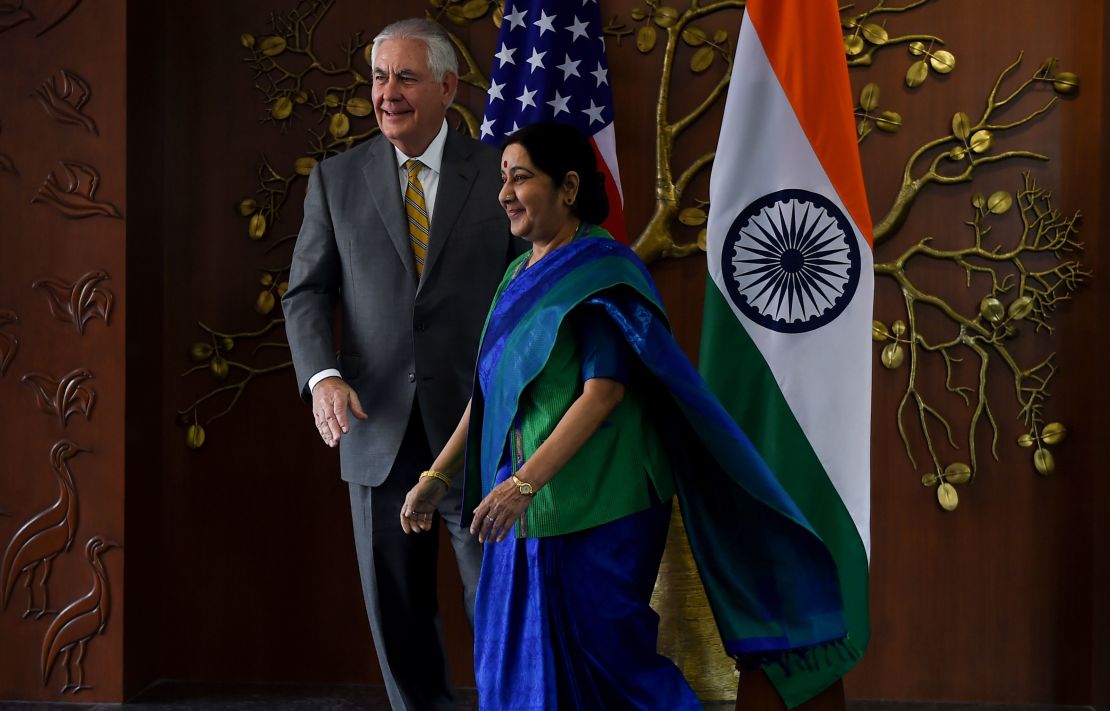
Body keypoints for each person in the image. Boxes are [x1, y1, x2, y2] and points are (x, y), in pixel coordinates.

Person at [400, 122, 848, 709]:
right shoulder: (516, 275)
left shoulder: (604, 272)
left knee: (613, 663)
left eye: (520, 177)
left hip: (597, 506)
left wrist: (521, 484)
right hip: (523, 511)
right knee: (516, 664)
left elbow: (602, 393)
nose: (505, 193)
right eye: (502, 179)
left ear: (568, 186)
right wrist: (436, 476)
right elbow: (489, 396)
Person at [281, 18, 521, 711]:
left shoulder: (501, 171)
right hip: (377, 430)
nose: (387, 93)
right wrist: (323, 376)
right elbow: (306, 292)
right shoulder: (335, 178)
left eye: (405, 77)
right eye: (380, 78)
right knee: (399, 617)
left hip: (481, 431)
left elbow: (528, 291)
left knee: (500, 606)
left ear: (447, 86)